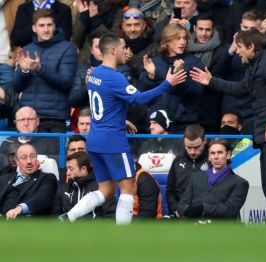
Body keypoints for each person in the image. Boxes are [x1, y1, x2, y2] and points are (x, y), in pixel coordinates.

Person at [63, 33, 186, 225]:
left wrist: (121, 120)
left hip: (95, 140)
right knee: (129, 188)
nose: (126, 51)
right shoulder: (116, 77)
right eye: (123, 47)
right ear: (113, 50)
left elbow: (106, 103)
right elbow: (140, 99)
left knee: (106, 190)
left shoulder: (94, 74)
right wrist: (167, 84)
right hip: (113, 141)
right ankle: (123, 237)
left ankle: (67, 217)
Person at [190, 29, 266, 221]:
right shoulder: (257, 65)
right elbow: (240, 89)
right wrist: (211, 81)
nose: (237, 51)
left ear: (251, 47)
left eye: (239, 47)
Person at [12, 9, 78, 133]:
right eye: (41, 25)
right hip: (28, 118)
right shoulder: (26, 49)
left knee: (51, 153)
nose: (46, 29)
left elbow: (66, 82)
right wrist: (23, 71)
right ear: (34, 28)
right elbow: (16, 87)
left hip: (53, 119)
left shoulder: (68, 48)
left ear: (54, 27)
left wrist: (40, 69)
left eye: (49, 25)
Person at [138, 23, 205, 132]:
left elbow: (197, 91)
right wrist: (150, 76)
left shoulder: (194, 62)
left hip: (183, 123)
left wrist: (182, 76)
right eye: (178, 38)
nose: (183, 42)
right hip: (156, 123)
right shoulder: (154, 62)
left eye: (185, 38)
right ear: (167, 41)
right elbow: (142, 93)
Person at [212, 10, 263, 134]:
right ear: (240, 26)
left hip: (253, 108)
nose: (247, 32)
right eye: (245, 27)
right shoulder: (228, 49)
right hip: (230, 107)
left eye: (252, 29)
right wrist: (231, 51)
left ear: (259, 29)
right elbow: (217, 74)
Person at [177, 138, 249, 220]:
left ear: (228, 155)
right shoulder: (196, 177)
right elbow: (182, 205)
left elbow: (230, 210)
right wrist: (186, 212)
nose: (216, 157)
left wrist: (203, 209)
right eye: (212, 153)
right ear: (209, 157)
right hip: (194, 227)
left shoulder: (240, 183)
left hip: (221, 229)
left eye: (220, 153)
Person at [187, 13, 225, 133]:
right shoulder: (184, 47)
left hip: (210, 107)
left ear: (213, 30)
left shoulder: (221, 50)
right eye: (200, 29)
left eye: (208, 30)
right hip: (188, 107)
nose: (204, 34)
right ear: (194, 28)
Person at [0, 144, 57, 219]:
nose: (29, 161)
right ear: (17, 161)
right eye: (24, 158)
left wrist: (20, 208)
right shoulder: (3, 179)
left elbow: (43, 198)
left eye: (32, 156)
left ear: (36, 159)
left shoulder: (47, 178)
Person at [53, 151, 116, 219]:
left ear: (83, 169)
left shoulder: (102, 189)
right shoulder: (63, 189)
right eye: (67, 168)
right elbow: (55, 218)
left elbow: (110, 218)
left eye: (71, 169)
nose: (67, 173)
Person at [166, 124, 209, 217]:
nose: (192, 151)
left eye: (197, 147)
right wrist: (176, 209)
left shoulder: (213, 160)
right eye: (188, 147)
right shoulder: (178, 161)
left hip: (205, 215)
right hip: (181, 215)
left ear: (204, 141)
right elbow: (170, 191)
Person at [0, 106, 59, 170]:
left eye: (30, 119)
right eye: (22, 120)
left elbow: (61, 163)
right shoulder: (7, 142)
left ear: (37, 121)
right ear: (15, 123)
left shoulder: (51, 142)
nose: (26, 123)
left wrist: (41, 159)